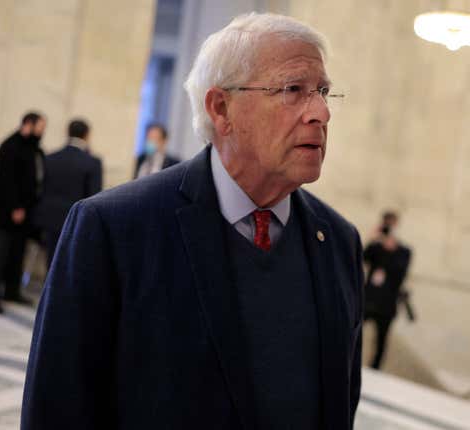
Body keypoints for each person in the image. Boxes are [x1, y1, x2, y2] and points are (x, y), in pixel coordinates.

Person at [22, 13, 363, 430]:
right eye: (294, 90)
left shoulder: (339, 242)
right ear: (222, 109)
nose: (321, 113)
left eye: (323, 91)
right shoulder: (112, 229)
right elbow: (58, 410)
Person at [0, 112, 46, 314]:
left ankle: (12, 291)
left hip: (25, 214)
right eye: (40, 127)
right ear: (28, 124)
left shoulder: (34, 149)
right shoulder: (10, 146)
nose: (42, 131)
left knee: (17, 254)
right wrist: (16, 207)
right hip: (6, 213)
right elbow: (7, 181)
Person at [34, 119, 102, 268]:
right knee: (70, 266)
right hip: (76, 220)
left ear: (67, 132)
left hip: (49, 217)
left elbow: (42, 188)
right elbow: (94, 197)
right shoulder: (92, 162)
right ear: (87, 135)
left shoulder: (50, 158)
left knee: (51, 263)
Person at [363, 211, 412, 369]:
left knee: (381, 341)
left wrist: (391, 249)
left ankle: (375, 369)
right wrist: (372, 240)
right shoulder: (376, 247)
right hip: (368, 300)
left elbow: (400, 273)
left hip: (386, 304)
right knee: (352, 332)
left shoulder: (404, 251)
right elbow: (362, 258)